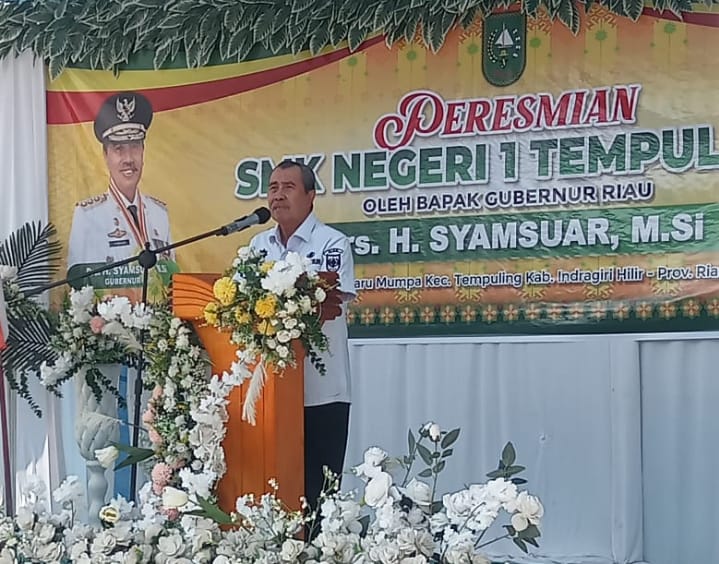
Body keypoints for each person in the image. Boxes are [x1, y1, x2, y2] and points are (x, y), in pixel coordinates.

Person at [249, 159, 356, 517]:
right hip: (271, 394)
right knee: (271, 490)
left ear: (311, 195)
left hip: (321, 392)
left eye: (288, 187)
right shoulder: (257, 245)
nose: (278, 195)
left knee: (317, 495)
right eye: (273, 187)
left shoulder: (332, 243)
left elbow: (330, 303)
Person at [67, 91, 173, 270]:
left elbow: (171, 274)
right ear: (105, 155)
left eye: (135, 146)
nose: (129, 159)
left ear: (143, 151)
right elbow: (78, 280)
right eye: (119, 149)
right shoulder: (88, 215)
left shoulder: (159, 213)